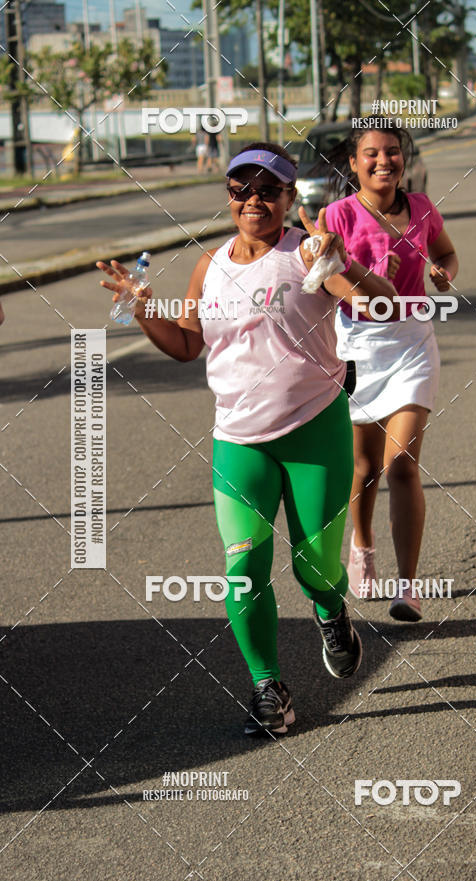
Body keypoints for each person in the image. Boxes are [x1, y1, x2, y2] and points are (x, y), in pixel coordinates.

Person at [97, 142, 399, 737]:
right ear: (228, 196)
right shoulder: (210, 267)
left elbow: (382, 307)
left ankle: (331, 608)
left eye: (268, 190)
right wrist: (141, 308)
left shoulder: (307, 254)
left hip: (315, 429)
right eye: (242, 190)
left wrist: (346, 265)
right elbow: (187, 344)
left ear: (290, 198)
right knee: (242, 570)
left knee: (314, 566)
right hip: (238, 441)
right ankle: (268, 687)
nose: (253, 200)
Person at [324, 122, 459, 622]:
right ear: (355, 163)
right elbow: (322, 275)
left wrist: (444, 273)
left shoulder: (422, 208)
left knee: (402, 463)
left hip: (412, 343)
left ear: (404, 159)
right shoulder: (337, 215)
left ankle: (408, 586)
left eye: (393, 152)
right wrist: (352, 292)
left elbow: (444, 252)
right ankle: (363, 545)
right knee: (364, 467)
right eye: (372, 154)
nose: (385, 161)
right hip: (358, 346)